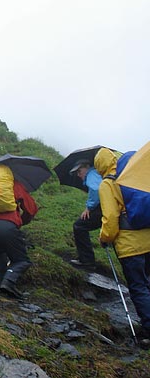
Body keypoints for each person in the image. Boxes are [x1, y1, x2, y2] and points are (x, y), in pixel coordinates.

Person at [94, 147, 150, 348]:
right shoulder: (132, 175)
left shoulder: (107, 184)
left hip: (130, 246)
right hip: (148, 238)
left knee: (138, 287)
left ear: (99, 166)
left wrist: (104, 238)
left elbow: (110, 220)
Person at [69, 159, 103, 267]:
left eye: (79, 171)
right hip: (108, 207)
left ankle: (87, 260)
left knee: (79, 226)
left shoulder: (91, 174)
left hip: (101, 207)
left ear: (87, 167)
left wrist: (89, 207)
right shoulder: (97, 173)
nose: (78, 175)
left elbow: (96, 190)